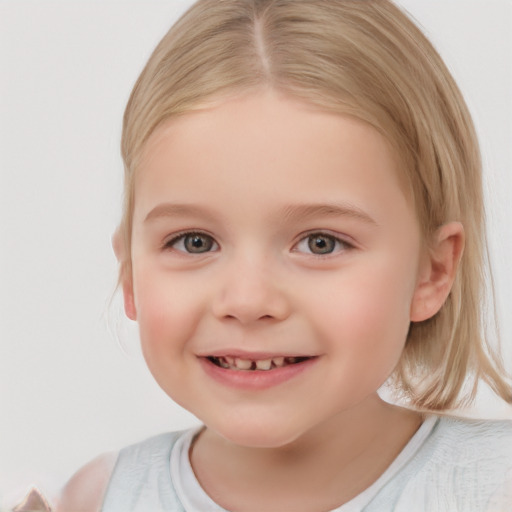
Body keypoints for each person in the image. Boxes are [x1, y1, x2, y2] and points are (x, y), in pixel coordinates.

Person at [57, 0, 512, 510]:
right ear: (131, 273)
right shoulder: (97, 498)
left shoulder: (496, 487)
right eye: (194, 242)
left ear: (433, 271)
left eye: (322, 243)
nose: (248, 301)